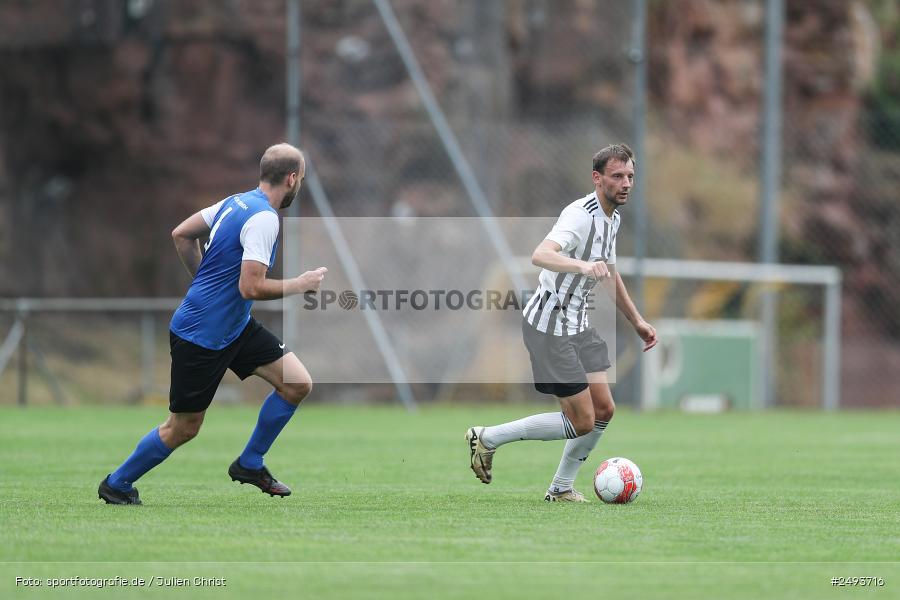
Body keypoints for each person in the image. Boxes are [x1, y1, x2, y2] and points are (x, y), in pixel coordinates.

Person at [99, 143, 327, 505]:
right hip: (201, 335)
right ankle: (117, 483)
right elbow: (249, 286)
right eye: (300, 180)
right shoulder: (264, 218)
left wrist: (203, 281)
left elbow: (181, 234)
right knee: (183, 428)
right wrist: (300, 285)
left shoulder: (235, 201)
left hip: (233, 327)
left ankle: (250, 463)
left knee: (297, 383)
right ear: (292, 178)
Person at [466, 143, 657, 502]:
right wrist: (583, 266)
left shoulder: (612, 218)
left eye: (630, 176)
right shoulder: (579, 216)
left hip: (577, 324)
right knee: (581, 421)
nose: (626, 183)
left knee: (604, 410)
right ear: (597, 179)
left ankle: (561, 487)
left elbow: (610, 273)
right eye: (617, 176)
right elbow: (541, 254)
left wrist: (637, 321)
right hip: (549, 327)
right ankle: (487, 438)